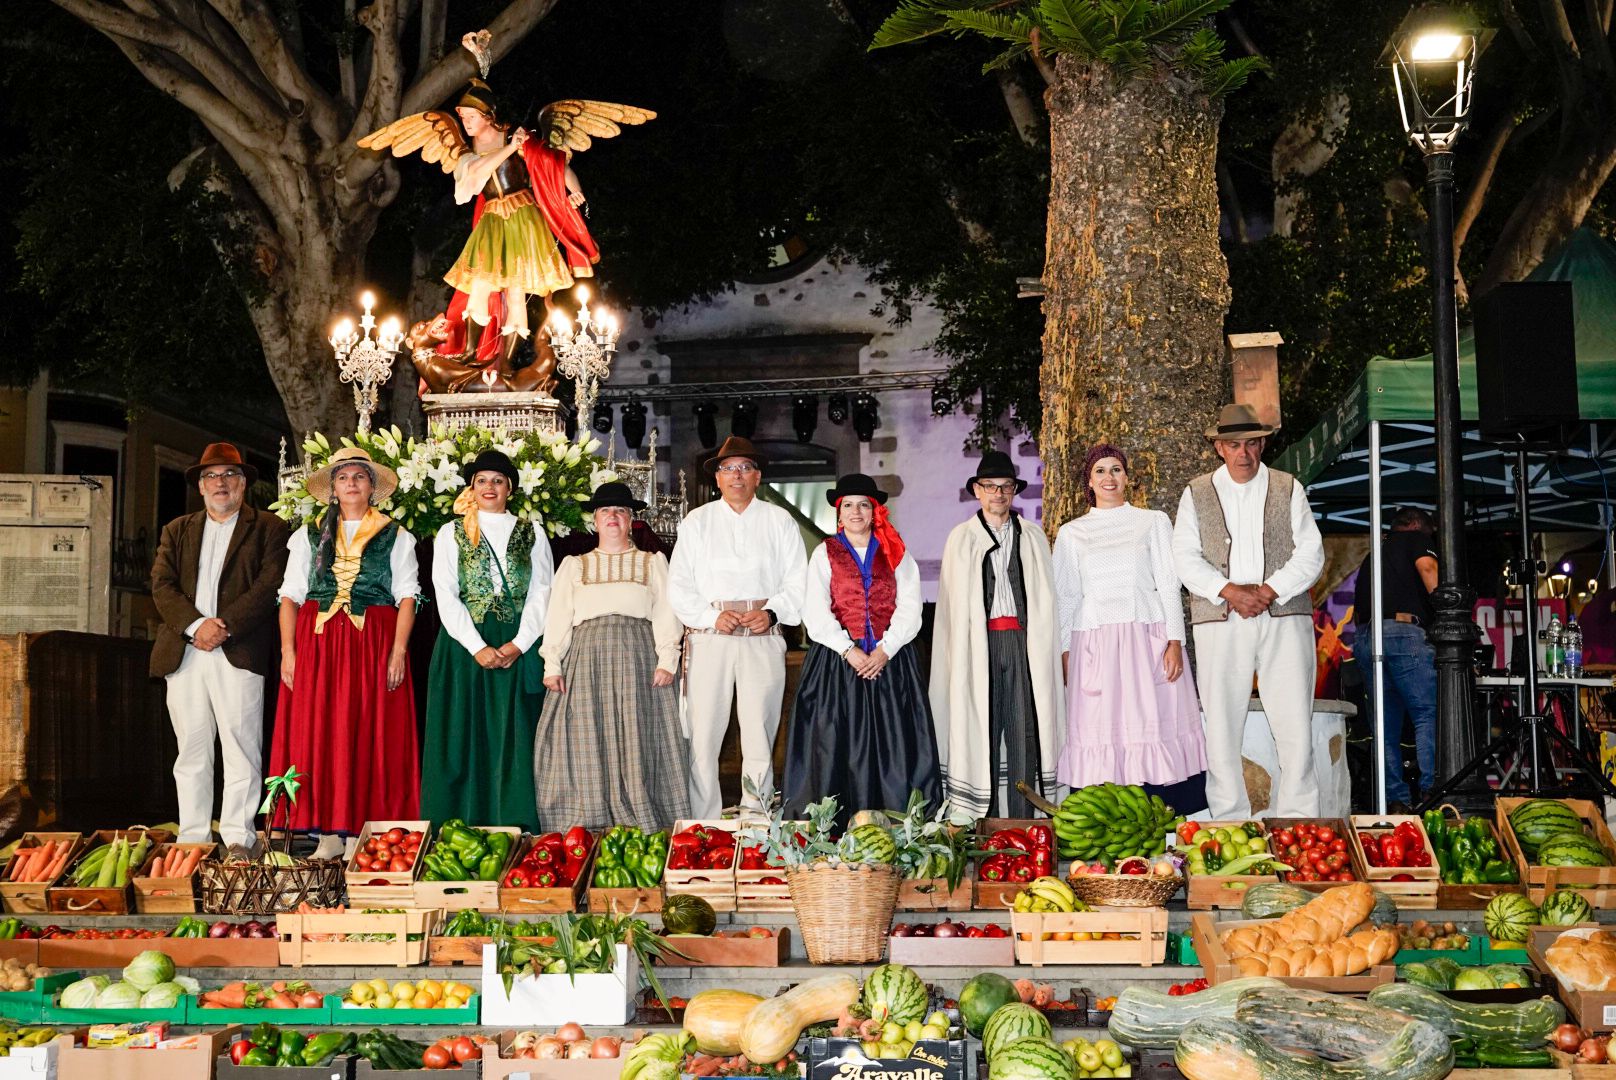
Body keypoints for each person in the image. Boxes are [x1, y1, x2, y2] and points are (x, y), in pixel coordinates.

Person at [1173, 403, 1325, 819]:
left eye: (1252, 443)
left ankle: (1299, 820)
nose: (1245, 453)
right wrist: (1229, 592)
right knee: (1220, 722)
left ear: (1262, 444)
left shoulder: (1288, 486)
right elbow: (1184, 558)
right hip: (1220, 618)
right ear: (1219, 448)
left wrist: (1270, 590)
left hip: (1284, 615)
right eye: (1235, 444)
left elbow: (1311, 554)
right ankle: (1228, 820)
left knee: (1294, 719)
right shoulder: (1196, 492)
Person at [270, 448, 420, 857]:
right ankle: (328, 836)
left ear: (372, 487)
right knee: (320, 728)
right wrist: (288, 650)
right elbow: (289, 596)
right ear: (333, 489)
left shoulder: (397, 535)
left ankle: (362, 833)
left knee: (367, 727)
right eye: (343, 477)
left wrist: (398, 651)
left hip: (372, 639)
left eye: (359, 476)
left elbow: (407, 596)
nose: (351, 482)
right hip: (317, 640)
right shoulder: (307, 534)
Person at [150, 443, 289, 860]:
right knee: (191, 749)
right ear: (200, 485)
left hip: (238, 650)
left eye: (230, 475)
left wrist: (222, 627)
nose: (220, 483)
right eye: (211, 476)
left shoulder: (269, 527)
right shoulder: (177, 529)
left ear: (244, 483)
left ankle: (238, 837)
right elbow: (161, 585)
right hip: (186, 651)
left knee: (241, 746)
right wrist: (196, 626)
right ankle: (192, 838)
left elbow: (270, 585)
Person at [1053, 445, 1208, 811]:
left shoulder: (1151, 522)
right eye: (1101, 471)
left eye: (1116, 469)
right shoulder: (1072, 533)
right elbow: (1067, 597)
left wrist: (1174, 641)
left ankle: (1163, 815)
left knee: (1151, 719)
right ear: (1088, 482)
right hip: (1094, 643)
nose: (1110, 478)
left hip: (1146, 639)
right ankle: (1105, 821)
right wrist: (1065, 651)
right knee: (1101, 724)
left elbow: (1169, 584)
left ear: (1128, 477)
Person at [784, 474, 940, 826]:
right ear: (839, 513)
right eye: (849, 505)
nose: (856, 511)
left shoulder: (896, 552)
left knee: (894, 742)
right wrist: (848, 650)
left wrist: (886, 649)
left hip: (890, 662)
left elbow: (910, 607)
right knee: (834, 741)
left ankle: (897, 823)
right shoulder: (825, 553)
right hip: (838, 664)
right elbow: (815, 610)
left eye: (864, 504)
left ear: (875, 512)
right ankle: (832, 826)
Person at [535, 481, 689, 832]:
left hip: (638, 657)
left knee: (640, 735)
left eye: (620, 511)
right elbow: (558, 615)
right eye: (606, 511)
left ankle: (643, 815)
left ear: (631, 518)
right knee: (588, 733)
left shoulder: (651, 562)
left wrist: (667, 658)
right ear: (595, 519)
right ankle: (590, 819)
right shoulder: (575, 565)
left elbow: (667, 612)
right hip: (586, 659)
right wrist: (552, 663)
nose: (613, 517)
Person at [667, 436, 807, 817]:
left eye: (745, 468)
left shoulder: (779, 520)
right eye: (728, 468)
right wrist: (712, 616)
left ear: (758, 476)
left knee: (760, 734)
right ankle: (704, 822)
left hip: (762, 637)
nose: (737, 475)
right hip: (712, 637)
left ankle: (756, 818)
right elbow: (678, 585)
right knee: (703, 735)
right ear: (717, 478)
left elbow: (799, 580)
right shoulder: (698, 521)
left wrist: (773, 613)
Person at [423, 449, 553, 832]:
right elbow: (445, 592)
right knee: (463, 733)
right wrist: (476, 645)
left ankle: (514, 822)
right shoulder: (452, 532)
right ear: (471, 487)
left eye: (497, 481)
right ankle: (460, 822)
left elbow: (543, 592)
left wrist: (521, 643)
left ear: (509, 488)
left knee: (515, 734)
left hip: (516, 643)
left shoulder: (532, 531)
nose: (489, 487)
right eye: (482, 481)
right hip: (464, 646)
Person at [930, 451, 1065, 819]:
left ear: (1014, 492)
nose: (998, 494)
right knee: (983, 730)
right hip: (980, 646)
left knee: (1024, 731)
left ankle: (1023, 820)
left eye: (1006, 487)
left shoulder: (1032, 536)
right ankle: (983, 822)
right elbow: (953, 607)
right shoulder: (961, 538)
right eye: (990, 487)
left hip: (1023, 644)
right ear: (977, 491)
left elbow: (1045, 597)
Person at [1352, 507, 1439, 811]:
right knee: (1427, 714)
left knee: (1384, 727)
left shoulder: (1375, 553)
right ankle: (1432, 793)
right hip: (1403, 632)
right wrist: (1447, 613)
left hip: (1365, 636)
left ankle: (1395, 800)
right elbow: (1429, 571)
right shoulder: (1415, 539)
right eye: (1431, 531)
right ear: (1416, 526)